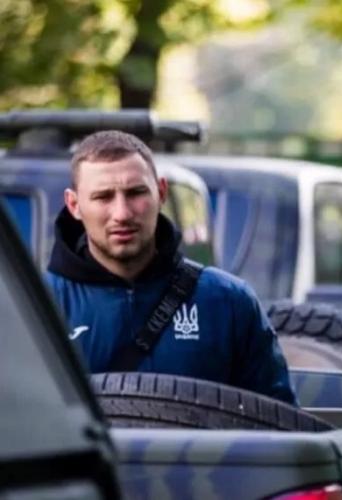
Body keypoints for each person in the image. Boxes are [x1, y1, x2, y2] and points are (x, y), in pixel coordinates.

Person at [46, 130, 296, 405]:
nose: (122, 213)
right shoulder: (37, 306)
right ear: (74, 205)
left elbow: (279, 420)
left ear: (161, 192)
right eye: (103, 197)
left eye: (136, 193)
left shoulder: (229, 301)